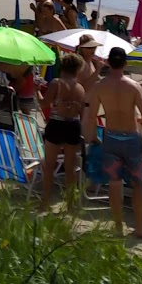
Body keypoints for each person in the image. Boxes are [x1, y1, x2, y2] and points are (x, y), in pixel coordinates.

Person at [83, 46, 142, 237]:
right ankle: (139, 227)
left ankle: (118, 225)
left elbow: (91, 116)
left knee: (114, 183)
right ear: (125, 63)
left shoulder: (100, 87)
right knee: (138, 184)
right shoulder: (134, 86)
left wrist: (92, 136)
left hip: (111, 137)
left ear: (108, 62)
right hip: (131, 138)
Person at [40, 55, 85, 202]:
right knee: (70, 168)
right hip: (73, 125)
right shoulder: (80, 88)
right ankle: (70, 204)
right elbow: (82, 113)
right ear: (77, 69)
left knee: (49, 165)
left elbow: (44, 104)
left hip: (57, 124)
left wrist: (36, 91)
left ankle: (45, 202)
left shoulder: (56, 83)